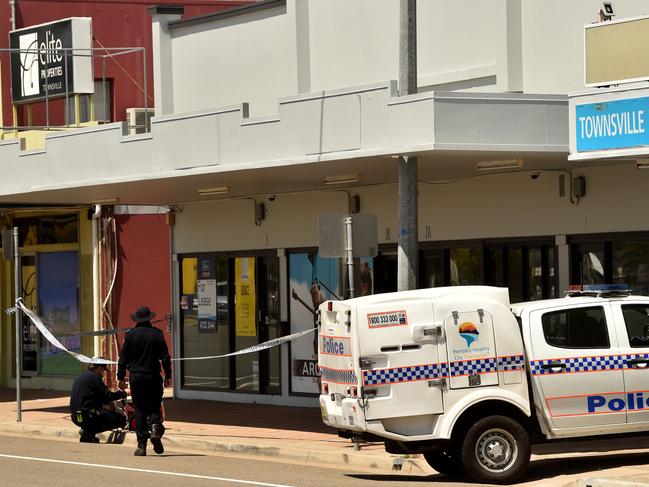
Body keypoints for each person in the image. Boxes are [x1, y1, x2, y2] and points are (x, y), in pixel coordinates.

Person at [118, 305, 171, 457]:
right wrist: (168, 375)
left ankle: (142, 445)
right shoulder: (157, 334)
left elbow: (123, 359)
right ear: (149, 319)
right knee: (154, 405)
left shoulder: (130, 335)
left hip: (137, 377)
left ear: (137, 320)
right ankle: (155, 428)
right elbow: (165, 358)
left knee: (140, 409)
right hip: (153, 376)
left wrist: (120, 377)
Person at [69, 362, 127, 443]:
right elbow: (107, 396)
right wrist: (122, 394)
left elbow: (99, 397)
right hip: (87, 416)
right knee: (120, 419)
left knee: (100, 413)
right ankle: (88, 432)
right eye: (103, 370)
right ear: (99, 368)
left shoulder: (82, 376)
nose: (103, 373)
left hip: (76, 417)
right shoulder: (94, 378)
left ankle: (87, 431)